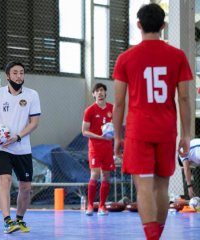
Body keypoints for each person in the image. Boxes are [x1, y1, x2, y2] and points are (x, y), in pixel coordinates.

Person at [112, 3, 192, 240]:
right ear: (164, 26)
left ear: (138, 25)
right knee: (162, 187)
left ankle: (151, 237)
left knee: (144, 185)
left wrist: (117, 136)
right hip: (166, 130)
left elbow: (118, 103)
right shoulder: (177, 56)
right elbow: (185, 97)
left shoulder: (126, 58)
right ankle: (158, 235)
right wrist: (186, 134)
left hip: (138, 131)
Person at [0, 61, 41, 234]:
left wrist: (17, 137)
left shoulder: (32, 95)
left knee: (25, 188)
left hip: (22, 148)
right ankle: (7, 220)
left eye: (22, 73)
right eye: (15, 73)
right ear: (8, 76)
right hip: (2, 148)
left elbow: (34, 123)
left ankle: (20, 220)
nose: (19, 76)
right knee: (5, 181)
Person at [82, 83, 114, 216]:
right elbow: (84, 131)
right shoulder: (90, 110)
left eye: (102, 90)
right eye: (97, 91)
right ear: (93, 94)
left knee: (106, 176)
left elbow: (117, 126)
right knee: (94, 175)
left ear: (105, 93)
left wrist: (113, 134)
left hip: (108, 148)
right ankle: (90, 205)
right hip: (95, 148)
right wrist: (100, 137)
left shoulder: (112, 108)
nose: (100, 93)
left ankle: (102, 206)